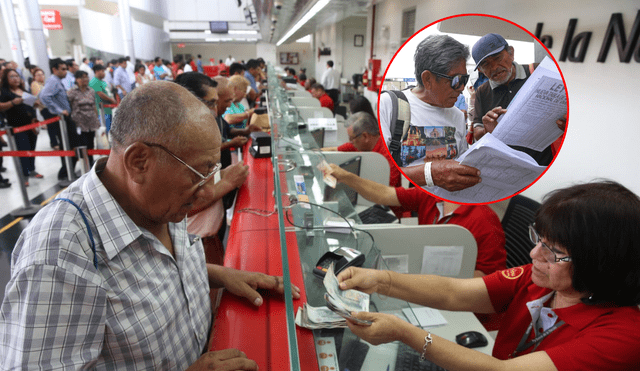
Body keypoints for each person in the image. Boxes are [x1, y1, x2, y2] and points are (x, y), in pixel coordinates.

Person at [0, 81, 301, 370]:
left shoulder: (157, 202)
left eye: (212, 172)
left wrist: (221, 274)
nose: (208, 192)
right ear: (139, 161)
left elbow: (149, 271)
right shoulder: (59, 255)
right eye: (198, 173)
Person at [338, 180, 640, 371]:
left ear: (599, 263)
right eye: (539, 240)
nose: (534, 255)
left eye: (553, 251)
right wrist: (380, 280)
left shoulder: (624, 336)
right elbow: (452, 292)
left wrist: (404, 332)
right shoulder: (542, 280)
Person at [328, 163, 505, 277]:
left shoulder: (486, 221)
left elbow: (489, 281)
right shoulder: (433, 195)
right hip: (425, 280)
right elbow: (385, 194)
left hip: (457, 302)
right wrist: (347, 177)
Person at [379, 34, 481, 192]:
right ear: (427, 79)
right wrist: (430, 174)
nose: (461, 88)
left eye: (464, 79)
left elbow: (461, 164)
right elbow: (381, 171)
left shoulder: (458, 116)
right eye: (456, 80)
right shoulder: (390, 105)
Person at [471, 33, 557, 165]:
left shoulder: (540, 71)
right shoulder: (482, 92)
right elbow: (477, 131)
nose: (494, 68)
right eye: (485, 64)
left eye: (498, 58)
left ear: (511, 53)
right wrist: (486, 131)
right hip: (507, 168)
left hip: (548, 162)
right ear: (481, 70)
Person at [322, 112, 401, 188]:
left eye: (352, 138)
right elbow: (334, 150)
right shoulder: (360, 144)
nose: (350, 142)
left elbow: (388, 190)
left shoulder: (389, 156)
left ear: (365, 136)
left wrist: (347, 178)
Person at [40, 58, 81, 180]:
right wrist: (59, 110)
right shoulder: (53, 81)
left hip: (67, 118)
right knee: (67, 146)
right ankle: (64, 173)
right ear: (54, 69)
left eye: (66, 69)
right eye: (63, 69)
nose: (65, 72)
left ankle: (70, 171)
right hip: (62, 120)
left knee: (72, 145)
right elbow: (44, 96)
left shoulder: (58, 81)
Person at [0, 68, 41, 185]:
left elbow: (31, 104)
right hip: (18, 127)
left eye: (17, 76)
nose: (15, 79)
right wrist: (13, 102)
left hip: (31, 124)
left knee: (32, 149)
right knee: (23, 150)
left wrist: (35, 104)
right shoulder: (4, 92)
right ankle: (25, 176)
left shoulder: (23, 90)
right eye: (12, 77)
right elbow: (1, 106)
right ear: (6, 79)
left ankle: (32, 170)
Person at [67, 70, 100, 167]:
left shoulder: (91, 91)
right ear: (76, 79)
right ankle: (85, 165)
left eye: (86, 77)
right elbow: (68, 106)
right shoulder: (72, 92)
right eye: (82, 77)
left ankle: (90, 163)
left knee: (91, 144)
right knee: (82, 144)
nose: (85, 79)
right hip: (79, 123)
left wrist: (97, 119)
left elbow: (94, 106)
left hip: (91, 122)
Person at [89, 64, 116, 134]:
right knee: (104, 129)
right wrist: (111, 100)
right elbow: (100, 93)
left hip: (108, 109)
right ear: (97, 71)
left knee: (109, 128)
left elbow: (108, 92)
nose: (104, 73)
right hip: (101, 110)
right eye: (103, 71)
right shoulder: (94, 81)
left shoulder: (102, 82)